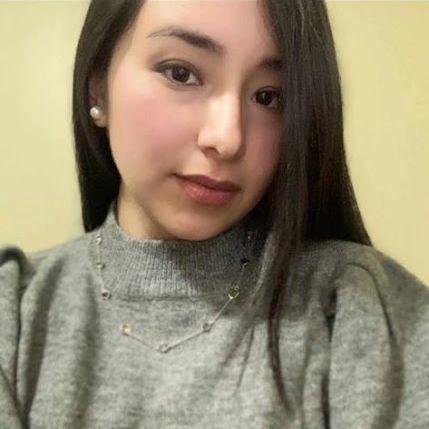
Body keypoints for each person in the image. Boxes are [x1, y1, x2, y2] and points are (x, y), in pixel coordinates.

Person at [1, 0, 428, 427]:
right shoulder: (16, 315)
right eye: (180, 73)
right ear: (97, 88)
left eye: (269, 97)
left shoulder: (359, 309)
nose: (227, 138)